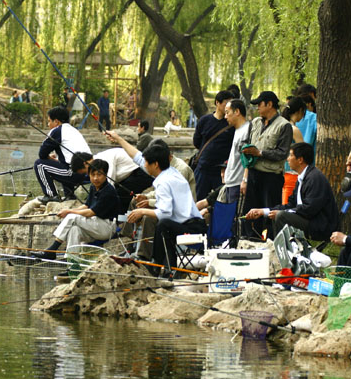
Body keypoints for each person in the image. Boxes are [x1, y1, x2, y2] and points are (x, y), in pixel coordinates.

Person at [123, 141, 205, 278]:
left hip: (193, 226)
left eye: (146, 162)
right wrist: (119, 139)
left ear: (155, 164)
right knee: (162, 224)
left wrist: (141, 211)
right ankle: (162, 265)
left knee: (163, 224)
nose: (144, 165)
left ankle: (163, 267)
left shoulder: (164, 181)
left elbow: (165, 212)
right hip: (188, 223)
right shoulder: (170, 172)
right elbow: (138, 157)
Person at [30, 159, 119, 261]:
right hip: (95, 225)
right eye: (92, 174)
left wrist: (69, 212)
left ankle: (52, 250)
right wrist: (69, 210)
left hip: (107, 228)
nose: (95, 178)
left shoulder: (108, 191)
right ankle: (71, 261)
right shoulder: (93, 187)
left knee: (72, 216)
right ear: (89, 174)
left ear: (106, 174)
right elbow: (86, 206)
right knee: (74, 229)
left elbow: (90, 212)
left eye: (99, 175)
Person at [246, 142, 338, 241]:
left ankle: (283, 250)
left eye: (290, 155)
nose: (287, 159)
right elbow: (291, 205)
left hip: (320, 226)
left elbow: (309, 209)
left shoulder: (315, 178)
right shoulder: (302, 177)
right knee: (276, 214)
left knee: (280, 216)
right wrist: (263, 211)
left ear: (300, 160)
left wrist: (282, 212)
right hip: (308, 221)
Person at [240, 90, 293, 238]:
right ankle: (250, 240)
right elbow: (246, 142)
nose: (257, 108)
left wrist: (260, 153)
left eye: (259, 104)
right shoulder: (255, 122)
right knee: (249, 212)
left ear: (269, 104)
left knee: (269, 213)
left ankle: (270, 243)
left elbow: (282, 153)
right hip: (253, 174)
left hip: (271, 177)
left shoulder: (284, 126)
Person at [34, 106, 91, 204]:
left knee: (39, 164)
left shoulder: (58, 130)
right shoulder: (74, 130)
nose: (48, 124)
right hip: (88, 173)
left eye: (49, 121)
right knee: (63, 164)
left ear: (56, 121)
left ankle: (51, 195)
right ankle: (70, 196)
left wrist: (48, 158)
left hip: (75, 174)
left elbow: (42, 154)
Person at [70, 149, 155, 214]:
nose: (89, 175)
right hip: (127, 177)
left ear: (85, 164)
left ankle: (121, 222)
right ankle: (123, 221)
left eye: (85, 172)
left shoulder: (104, 160)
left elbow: (108, 185)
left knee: (119, 197)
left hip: (141, 173)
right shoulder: (98, 160)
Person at [192, 90, 236, 200]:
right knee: (198, 200)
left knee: (220, 201)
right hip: (203, 168)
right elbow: (196, 142)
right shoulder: (204, 121)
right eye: (226, 103)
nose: (228, 107)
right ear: (217, 103)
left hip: (221, 171)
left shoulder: (231, 123)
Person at [222, 99, 250, 203]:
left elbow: (248, 157)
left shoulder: (246, 130)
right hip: (231, 182)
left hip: (238, 183)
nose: (225, 116)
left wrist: (245, 180)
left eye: (227, 112)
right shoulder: (238, 130)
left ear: (237, 112)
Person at [281, 98, 306, 203]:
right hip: (292, 174)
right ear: (300, 110)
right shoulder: (294, 130)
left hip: (281, 172)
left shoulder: (281, 126)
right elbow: (303, 153)